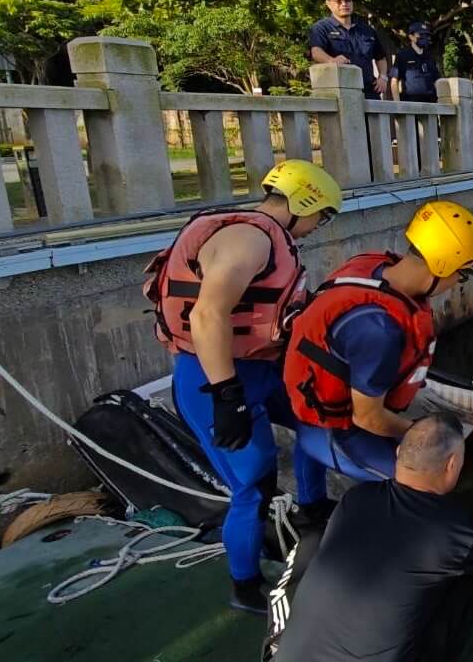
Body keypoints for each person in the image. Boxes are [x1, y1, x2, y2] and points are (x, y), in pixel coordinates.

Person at [142, 159, 342, 613]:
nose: (318, 226)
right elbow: (207, 314)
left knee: (316, 418)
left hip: (262, 366)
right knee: (252, 487)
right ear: (303, 202)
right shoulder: (248, 238)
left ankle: (312, 509)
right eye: (321, 215)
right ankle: (245, 585)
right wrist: (226, 395)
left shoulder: (272, 239)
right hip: (213, 377)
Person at [271, 413, 473, 662]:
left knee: (315, 546)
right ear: (451, 465)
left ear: (399, 454)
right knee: (467, 572)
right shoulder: (454, 531)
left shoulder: (357, 498)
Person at [285, 200, 473, 481]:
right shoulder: (380, 330)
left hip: (325, 401)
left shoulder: (373, 264)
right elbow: (367, 418)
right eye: (462, 275)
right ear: (442, 265)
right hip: (335, 430)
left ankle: (311, 506)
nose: (457, 283)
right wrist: (418, 433)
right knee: (422, 482)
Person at [308, 0, 389, 100]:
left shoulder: (367, 30)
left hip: (369, 92)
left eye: (347, 0)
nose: (344, 4)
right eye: (338, 1)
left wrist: (383, 77)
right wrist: (331, 60)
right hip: (340, 92)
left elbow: (380, 57)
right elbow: (316, 51)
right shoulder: (321, 28)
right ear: (328, 4)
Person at [390, 21, 443, 103]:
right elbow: (394, 81)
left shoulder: (430, 57)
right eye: (420, 34)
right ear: (411, 36)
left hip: (431, 104)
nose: (424, 37)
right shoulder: (402, 55)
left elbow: (436, 81)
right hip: (410, 104)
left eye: (426, 35)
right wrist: (398, 105)